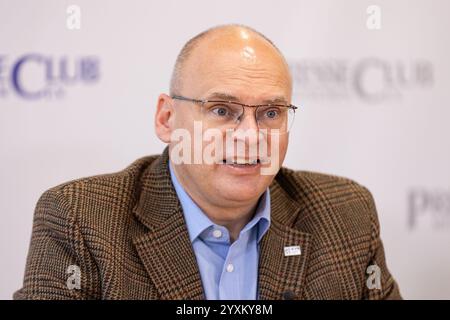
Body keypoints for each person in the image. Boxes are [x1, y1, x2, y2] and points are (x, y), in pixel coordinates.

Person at [14, 24, 401, 300]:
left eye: (271, 113)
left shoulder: (346, 215)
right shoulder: (80, 218)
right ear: (167, 118)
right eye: (221, 109)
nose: (250, 136)